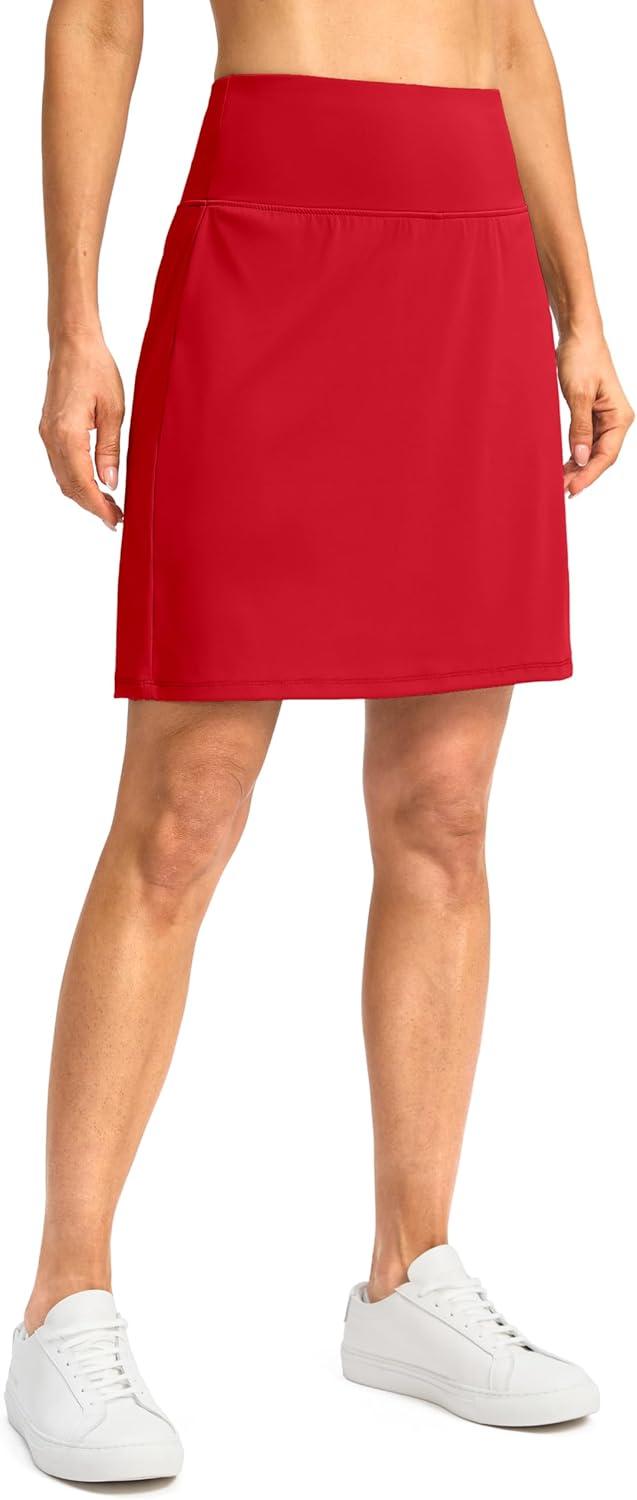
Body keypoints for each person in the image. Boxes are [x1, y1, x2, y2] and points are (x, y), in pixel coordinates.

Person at [6, 0, 632, 1482]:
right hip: (268, 237)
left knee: (445, 808)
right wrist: (74, 322)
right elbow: (97, 24)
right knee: (186, 807)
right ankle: (65, 1298)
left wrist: (582, 306)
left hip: (465, 251)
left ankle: (410, 1278)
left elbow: (508, 33)